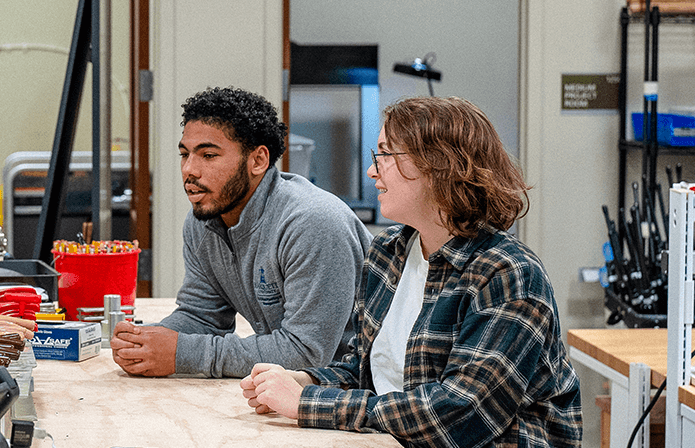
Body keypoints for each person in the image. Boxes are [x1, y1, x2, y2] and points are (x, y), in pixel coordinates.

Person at [240, 96, 582, 447]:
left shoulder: (509, 275)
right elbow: (367, 372)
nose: (373, 170)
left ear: (440, 166)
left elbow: (459, 415)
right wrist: (305, 381)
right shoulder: (388, 252)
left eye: (386, 155)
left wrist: (307, 403)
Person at [111, 86, 373, 378]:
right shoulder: (203, 222)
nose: (189, 169)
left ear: (258, 161)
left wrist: (181, 353)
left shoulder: (311, 222)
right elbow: (202, 316)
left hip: (365, 391)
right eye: (184, 154)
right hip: (296, 390)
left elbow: (307, 353)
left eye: (208, 155)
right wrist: (145, 342)